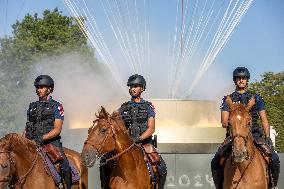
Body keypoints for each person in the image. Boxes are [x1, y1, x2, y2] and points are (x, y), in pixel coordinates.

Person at [211, 67, 280, 189]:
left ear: (247, 80)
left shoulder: (256, 97)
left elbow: (264, 119)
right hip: (234, 134)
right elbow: (224, 122)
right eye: (238, 78)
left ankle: (272, 185)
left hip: (255, 134)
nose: (241, 80)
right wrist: (236, 124)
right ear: (235, 80)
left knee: (274, 158)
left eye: (243, 78)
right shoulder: (228, 99)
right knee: (215, 160)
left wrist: (268, 137)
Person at [25, 75, 72, 189]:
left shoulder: (57, 106)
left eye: (42, 87)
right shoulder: (32, 107)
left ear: (49, 89)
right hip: (31, 142)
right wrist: (24, 140)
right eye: (37, 87)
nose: (39, 90)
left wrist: (41, 138)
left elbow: (57, 129)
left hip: (51, 142)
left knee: (65, 166)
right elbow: (27, 127)